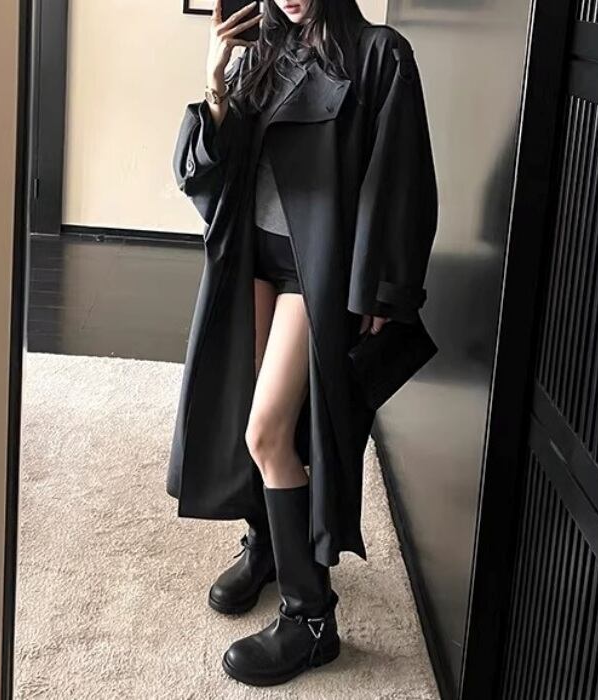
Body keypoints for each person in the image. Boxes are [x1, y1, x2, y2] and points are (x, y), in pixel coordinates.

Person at [167, 0, 438, 686]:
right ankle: (266, 543)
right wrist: (215, 83)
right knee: (246, 407)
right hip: (250, 260)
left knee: (268, 431)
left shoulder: (380, 54)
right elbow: (206, 175)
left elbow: (401, 176)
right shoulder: (260, 51)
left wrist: (384, 287)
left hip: (313, 271)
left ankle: (312, 618)